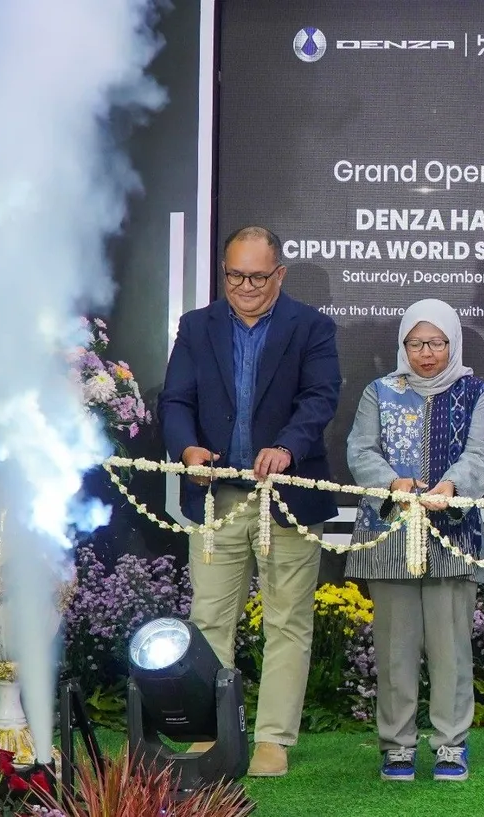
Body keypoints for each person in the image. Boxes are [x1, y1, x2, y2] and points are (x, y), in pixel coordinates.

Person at [159, 225, 341, 777]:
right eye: (235, 275)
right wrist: (186, 446)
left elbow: (320, 397)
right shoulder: (196, 327)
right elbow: (174, 400)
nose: (244, 286)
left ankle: (274, 740)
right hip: (216, 499)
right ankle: (208, 732)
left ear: (279, 274)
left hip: (284, 500)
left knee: (287, 622)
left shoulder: (311, 327)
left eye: (257, 277)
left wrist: (288, 447)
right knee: (209, 617)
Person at [345, 299, 484, 784]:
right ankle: (397, 746)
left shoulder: (477, 392)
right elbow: (360, 450)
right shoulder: (379, 392)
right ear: (402, 345)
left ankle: (451, 745)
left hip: (453, 538)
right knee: (395, 649)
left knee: (451, 649)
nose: (426, 354)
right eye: (416, 343)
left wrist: (451, 487)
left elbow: (482, 453)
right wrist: (394, 483)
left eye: (436, 343)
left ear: (452, 343)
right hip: (390, 535)